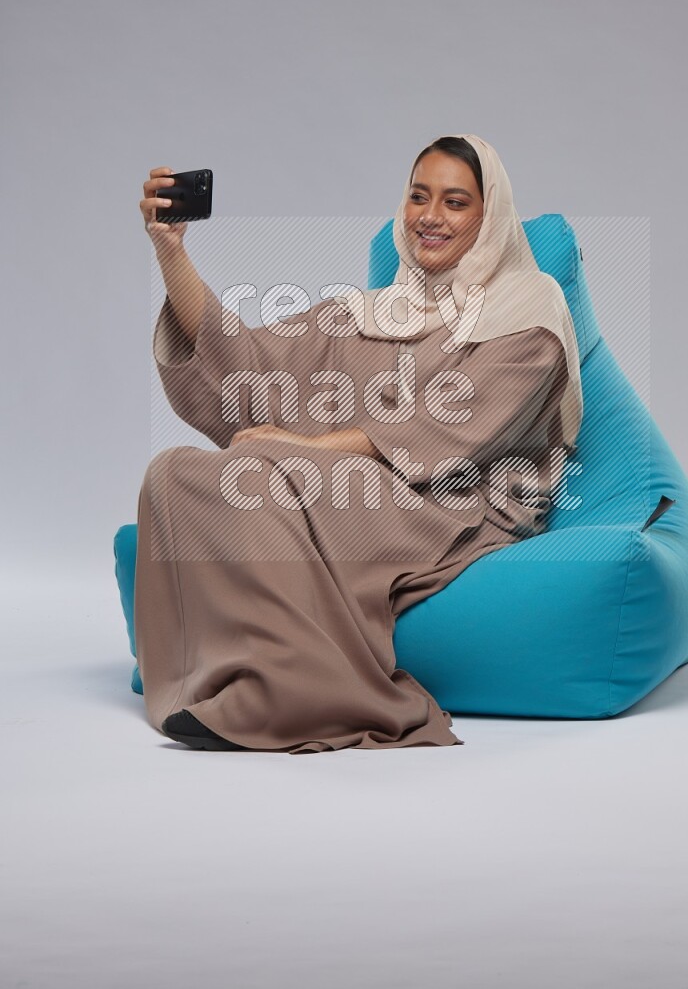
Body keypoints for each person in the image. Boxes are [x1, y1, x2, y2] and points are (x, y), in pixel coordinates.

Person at [134, 133, 583, 753]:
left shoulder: (527, 306)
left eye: (455, 202)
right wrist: (171, 252)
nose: (430, 216)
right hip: (356, 481)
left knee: (263, 471)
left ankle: (303, 694)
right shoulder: (369, 312)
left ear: (490, 217)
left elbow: (455, 432)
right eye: (418, 197)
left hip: (456, 499)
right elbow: (241, 357)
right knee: (175, 473)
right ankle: (234, 676)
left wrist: (303, 448)